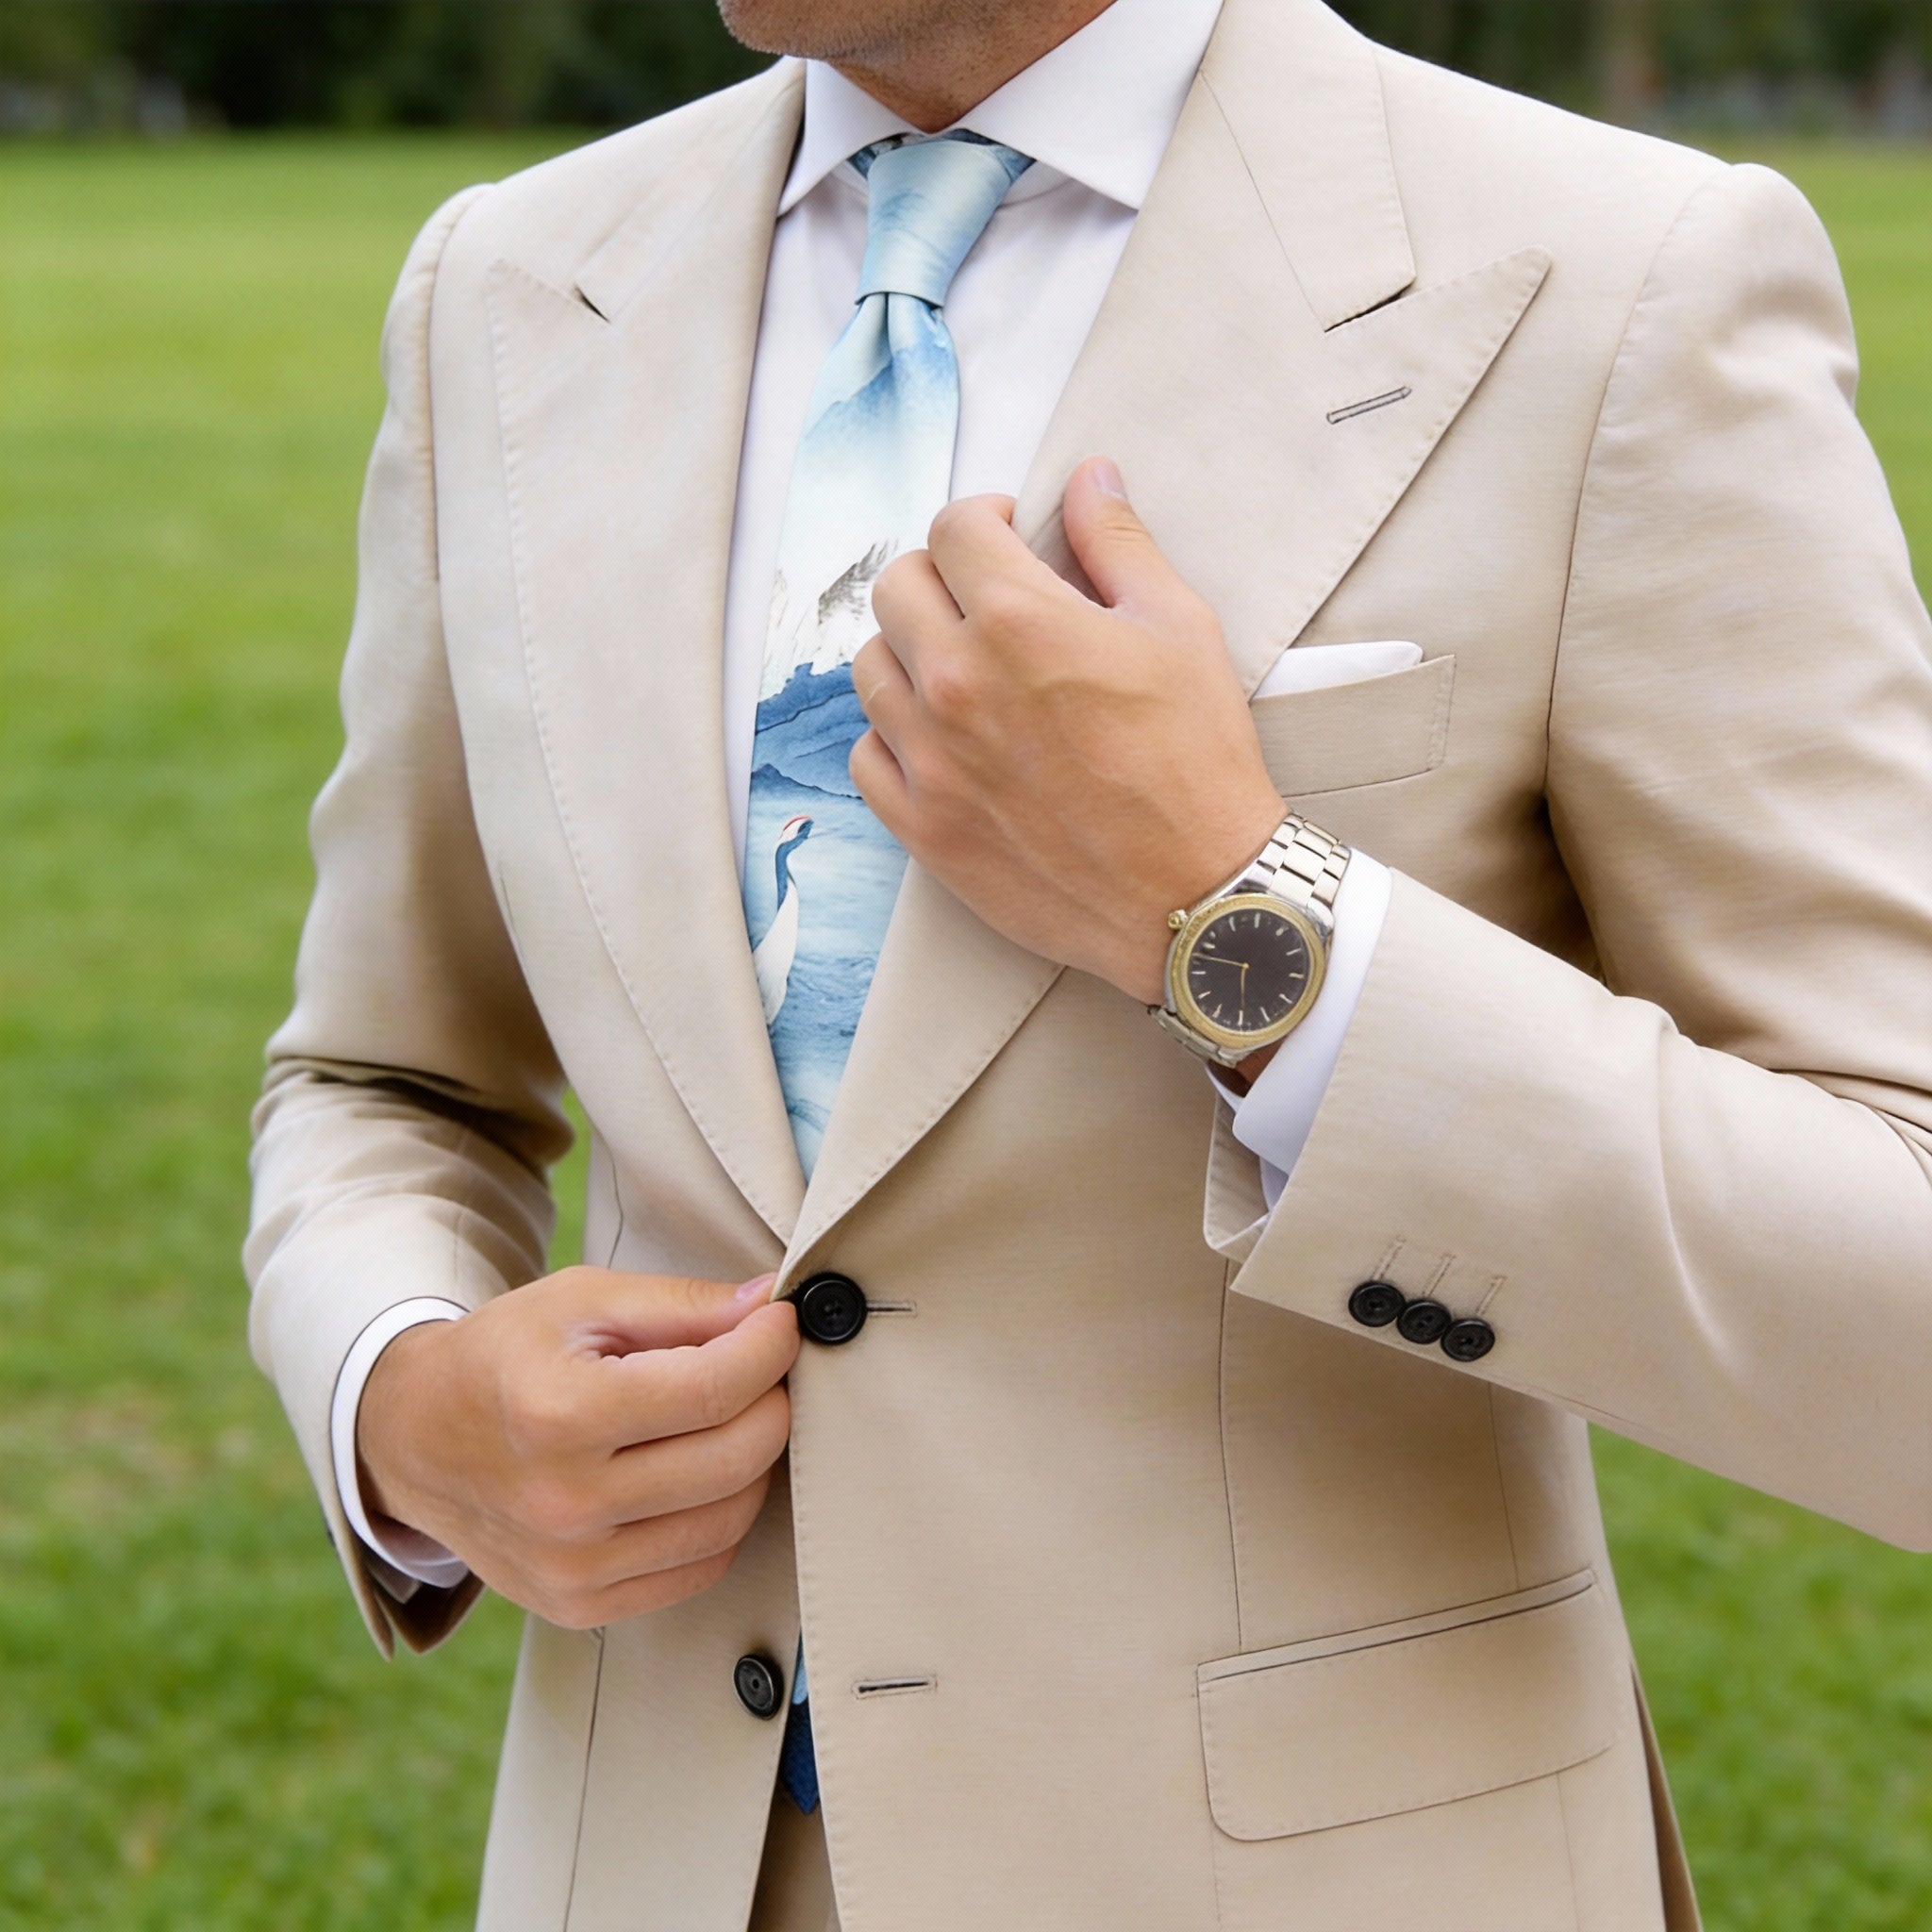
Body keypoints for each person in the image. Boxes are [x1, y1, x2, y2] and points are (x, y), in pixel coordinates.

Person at [243, 0, 1932, 1924]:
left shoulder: (1623, 279)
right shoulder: (504, 285)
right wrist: (399, 1393)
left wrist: (1238, 923)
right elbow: (383, 1079)